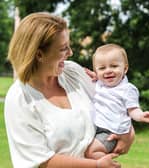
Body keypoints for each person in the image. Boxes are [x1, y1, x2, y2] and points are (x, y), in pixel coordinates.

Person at [4, 12, 135, 168]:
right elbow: (41, 161)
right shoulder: (19, 98)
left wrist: (128, 131)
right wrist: (96, 165)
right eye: (63, 48)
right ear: (39, 54)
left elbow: (112, 101)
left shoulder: (73, 72)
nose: (70, 53)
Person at [85, 43, 149, 159]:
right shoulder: (99, 84)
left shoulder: (127, 89)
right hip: (95, 128)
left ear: (125, 68)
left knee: (91, 153)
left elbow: (133, 110)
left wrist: (141, 116)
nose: (108, 71)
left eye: (114, 66)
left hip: (111, 131)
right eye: (102, 68)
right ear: (96, 71)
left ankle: (108, 164)